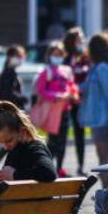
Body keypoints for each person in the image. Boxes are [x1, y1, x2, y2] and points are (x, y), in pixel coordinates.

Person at [79, 33, 108, 190]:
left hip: (105, 119)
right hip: (97, 119)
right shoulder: (96, 68)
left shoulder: (103, 69)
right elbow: (85, 88)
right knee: (105, 156)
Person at [34, 41, 79, 174]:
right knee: (52, 141)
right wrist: (56, 96)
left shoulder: (67, 70)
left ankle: (59, 167)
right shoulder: (46, 71)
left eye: (60, 54)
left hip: (65, 109)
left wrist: (72, 94)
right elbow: (41, 91)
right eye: (55, 54)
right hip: (53, 111)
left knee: (63, 141)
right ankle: (47, 165)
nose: (58, 57)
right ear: (49, 55)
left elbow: (72, 86)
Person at [63, 27, 91, 174]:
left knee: (80, 134)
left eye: (82, 38)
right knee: (62, 134)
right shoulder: (66, 59)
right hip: (69, 101)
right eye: (79, 38)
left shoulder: (86, 57)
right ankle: (57, 165)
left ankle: (81, 165)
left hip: (84, 100)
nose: (82, 41)